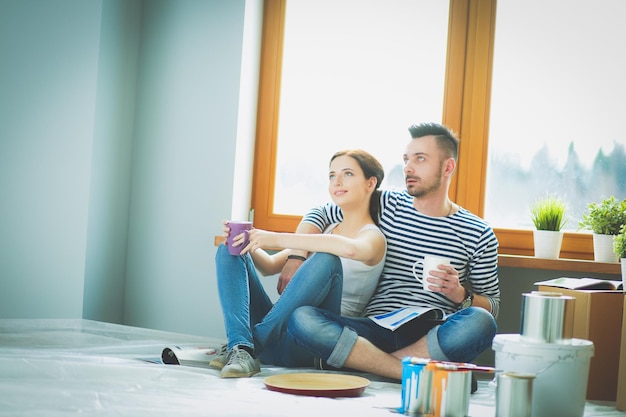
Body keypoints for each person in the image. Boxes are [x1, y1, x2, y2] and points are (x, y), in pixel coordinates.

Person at [284, 122, 500, 382]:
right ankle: (408, 372)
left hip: (431, 332)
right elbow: (319, 213)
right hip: (374, 328)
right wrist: (295, 257)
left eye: (420, 159)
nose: (408, 167)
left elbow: (492, 306)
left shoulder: (478, 232)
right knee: (302, 319)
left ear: (447, 167)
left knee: (480, 321)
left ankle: (366, 365)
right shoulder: (386, 203)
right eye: (407, 159)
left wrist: (460, 294)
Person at [212, 149, 387, 378]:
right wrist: (245, 241)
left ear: (370, 183)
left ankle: (246, 344)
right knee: (229, 250)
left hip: (311, 339)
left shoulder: (373, 237)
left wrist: (273, 237)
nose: (338, 181)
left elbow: (349, 248)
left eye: (348, 174)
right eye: (332, 175)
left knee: (326, 258)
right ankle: (243, 347)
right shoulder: (326, 231)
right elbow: (269, 266)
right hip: (277, 335)